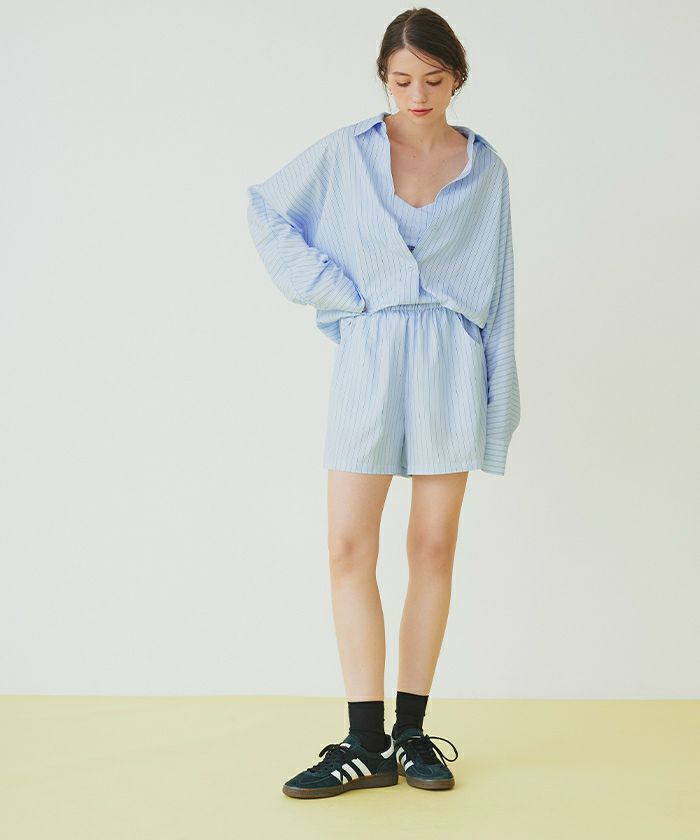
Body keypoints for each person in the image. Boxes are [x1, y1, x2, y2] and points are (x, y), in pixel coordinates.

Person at [246, 7, 520, 799]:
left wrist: (498, 403)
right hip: (369, 355)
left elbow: (500, 291)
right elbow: (267, 210)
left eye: (433, 80)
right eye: (402, 81)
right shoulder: (345, 152)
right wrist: (337, 291)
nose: (417, 96)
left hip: (450, 361)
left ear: (457, 77)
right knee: (347, 546)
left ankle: (411, 732)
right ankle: (364, 741)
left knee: (432, 547)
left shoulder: (485, 168)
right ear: (383, 79)